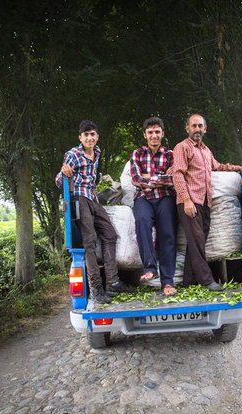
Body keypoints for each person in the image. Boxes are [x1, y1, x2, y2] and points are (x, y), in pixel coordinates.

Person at [56, 120, 135, 304]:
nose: (89, 138)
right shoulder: (73, 154)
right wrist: (64, 172)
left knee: (109, 234)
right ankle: (96, 287)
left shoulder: (97, 152)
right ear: (80, 138)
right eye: (86, 135)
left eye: (92, 135)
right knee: (89, 240)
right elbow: (59, 181)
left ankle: (113, 282)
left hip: (92, 198)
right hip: (79, 197)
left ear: (97, 137)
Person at [173, 114, 242, 291]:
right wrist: (186, 200)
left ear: (205, 129)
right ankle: (206, 280)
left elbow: (218, 166)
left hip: (205, 203)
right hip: (190, 202)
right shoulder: (182, 147)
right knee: (197, 240)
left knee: (197, 241)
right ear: (187, 129)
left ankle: (188, 281)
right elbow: (178, 174)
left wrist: (239, 168)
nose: (197, 129)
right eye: (194, 126)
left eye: (200, 126)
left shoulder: (206, 151)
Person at [130, 117, 177, 296]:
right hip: (143, 198)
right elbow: (136, 179)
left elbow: (172, 180)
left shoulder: (170, 155)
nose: (154, 135)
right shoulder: (137, 154)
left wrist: (149, 178)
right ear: (145, 135)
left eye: (157, 132)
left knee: (168, 234)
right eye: (150, 132)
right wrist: (160, 177)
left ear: (162, 134)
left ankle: (167, 282)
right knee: (142, 222)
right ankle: (149, 268)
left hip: (165, 198)